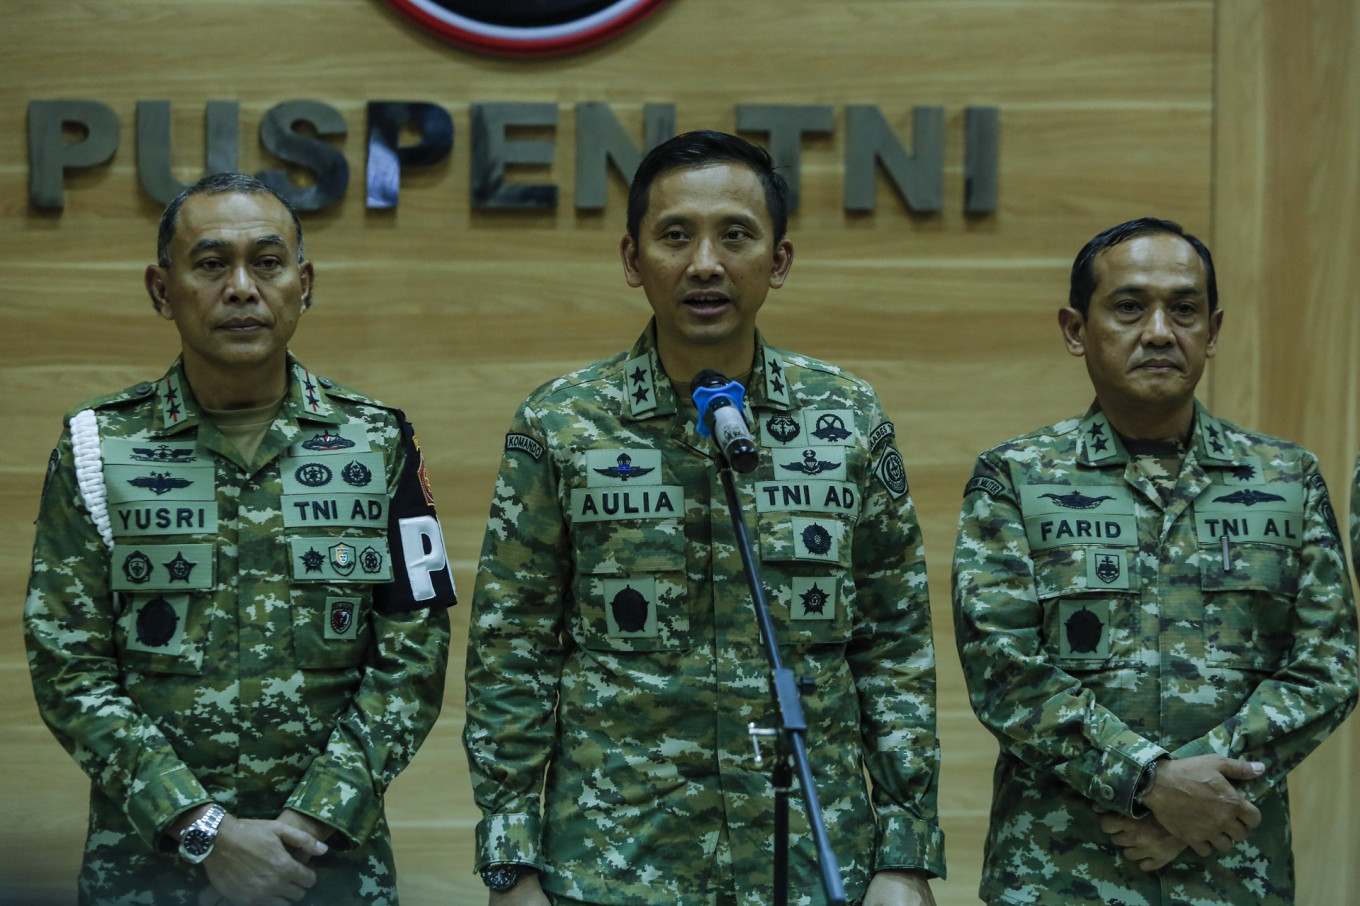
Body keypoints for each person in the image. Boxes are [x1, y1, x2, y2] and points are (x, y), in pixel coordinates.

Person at [462, 131, 945, 906]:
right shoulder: (564, 423)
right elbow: (511, 648)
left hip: (813, 856)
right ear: (632, 260)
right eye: (676, 236)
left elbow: (893, 646)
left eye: (736, 235)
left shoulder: (844, 417)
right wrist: (509, 860)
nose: (706, 264)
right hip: (615, 861)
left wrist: (905, 853)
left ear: (779, 262)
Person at [23, 172, 458, 906]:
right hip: (151, 874)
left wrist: (305, 825)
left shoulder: (378, 440)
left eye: (266, 261)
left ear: (304, 282)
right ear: (163, 291)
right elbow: (69, 667)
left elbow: (413, 658)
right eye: (210, 263)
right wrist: (204, 830)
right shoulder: (97, 446)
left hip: (326, 871)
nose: (241, 288)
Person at [951, 216, 1359, 905]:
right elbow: (1002, 668)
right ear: (1076, 330)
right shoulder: (1015, 477)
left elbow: (1330, 663)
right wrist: (1149, 780)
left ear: (1215, 330)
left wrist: (1202, 799)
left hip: (1231, 871)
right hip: (1058, 874)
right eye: (1130, 307)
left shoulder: (1286, 477)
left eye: (1185, 309)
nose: (1161, 331)